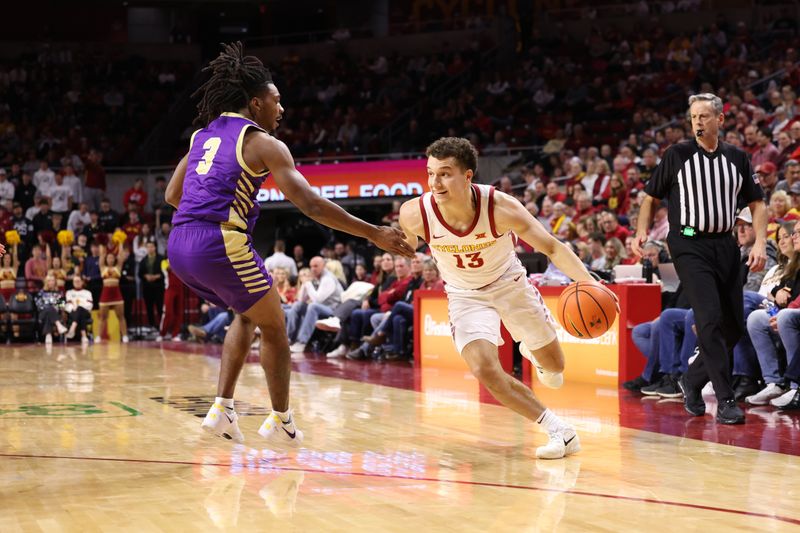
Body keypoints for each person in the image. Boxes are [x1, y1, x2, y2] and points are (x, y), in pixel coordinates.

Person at [165, 42, 413, 446]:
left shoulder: (200, 137)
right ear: (255, 102)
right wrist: (374, 233)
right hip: (218, 242)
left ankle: (222, 410)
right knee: (275, 326)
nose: (281, 109)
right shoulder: (264, 143)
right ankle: (280, 420)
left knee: (246, 315)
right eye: (276, 101)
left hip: (179, 243)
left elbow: (173, 195)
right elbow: (312, 204)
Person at [397, 137, 608, 459]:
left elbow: (551, 247)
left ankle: (536, 352)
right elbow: (407, 246)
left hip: (509, 285)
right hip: (464, 295)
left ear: (468, 176)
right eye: (430, 173)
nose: (435, 182)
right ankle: (560, 431)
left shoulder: (500, 207)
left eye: (445, 173)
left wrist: (590, 282)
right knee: (485, 369)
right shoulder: (414, 213)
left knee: (554, 370)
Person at [633, 93, 767, 425]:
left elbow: (758, 204)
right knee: (708, 319)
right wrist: (640, 231)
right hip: (689, 244)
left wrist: (761, 243)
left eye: (704, 116)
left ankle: (691, 380)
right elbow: (650, 197)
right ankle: (725, 400)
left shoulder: (737, 158)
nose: (698, 122)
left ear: (720, 120)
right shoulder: (677, 154)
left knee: (733, 326)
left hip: (725, 244)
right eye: (694, 117)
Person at [95, 245, 129, 343]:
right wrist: (102, 243)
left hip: (116, 294)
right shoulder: (103, 268)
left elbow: (121, 256)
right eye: (109, 257)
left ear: (114, 259)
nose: (110, 259)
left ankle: (125, 336)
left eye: (112, 258)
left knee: (121, 316)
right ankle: (98, 336)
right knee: (102, 317)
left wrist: (120, 242)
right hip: (105, 294)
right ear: (106, 259)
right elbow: (101, 255)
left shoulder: (118, 267)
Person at [35, 275, 67, 344]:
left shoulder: (59, 293)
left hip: (56, 315)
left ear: (55, 282)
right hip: (42, 314)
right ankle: (59, 325)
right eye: (49, 281)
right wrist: (52, 307)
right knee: (49, 308)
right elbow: (39, 306)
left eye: (53, 280)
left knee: (49, 312)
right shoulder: (41, 293)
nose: (51, 282)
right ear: (46, 282)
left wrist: (55, 307)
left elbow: (61, 306)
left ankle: (48, 335)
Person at [64, 275, 93, 344]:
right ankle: (84, 335)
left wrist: (79, 306)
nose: (77, 283)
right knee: (79, 313)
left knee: (80, 309)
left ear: (82, 282)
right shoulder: (69, 292)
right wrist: (74, 308)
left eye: (78, 281)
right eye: (75, 281)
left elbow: (90, 305)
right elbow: (68, 305)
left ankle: (72, 328)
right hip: (73, 311)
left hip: (85, 311)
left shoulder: (87, 292)